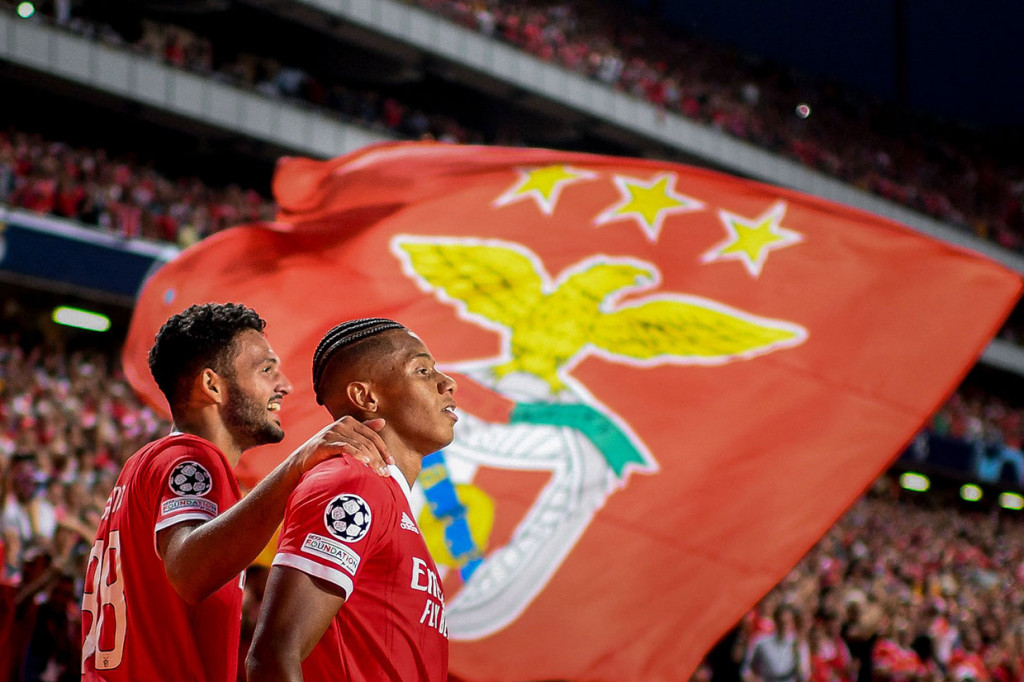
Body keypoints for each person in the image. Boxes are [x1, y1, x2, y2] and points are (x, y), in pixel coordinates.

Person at [81, 303, 391, 681]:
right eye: (266, 370)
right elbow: (190, 571)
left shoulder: (145, 464)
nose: (285, 385)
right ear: (212, 386)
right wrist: (298, 464)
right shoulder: (192, 458)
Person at [247, 318, 456, 682]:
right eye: (422, 370)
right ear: (365, 397)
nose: (446, 383)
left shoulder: (386, 495)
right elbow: (273, 658)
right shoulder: (352, 484)